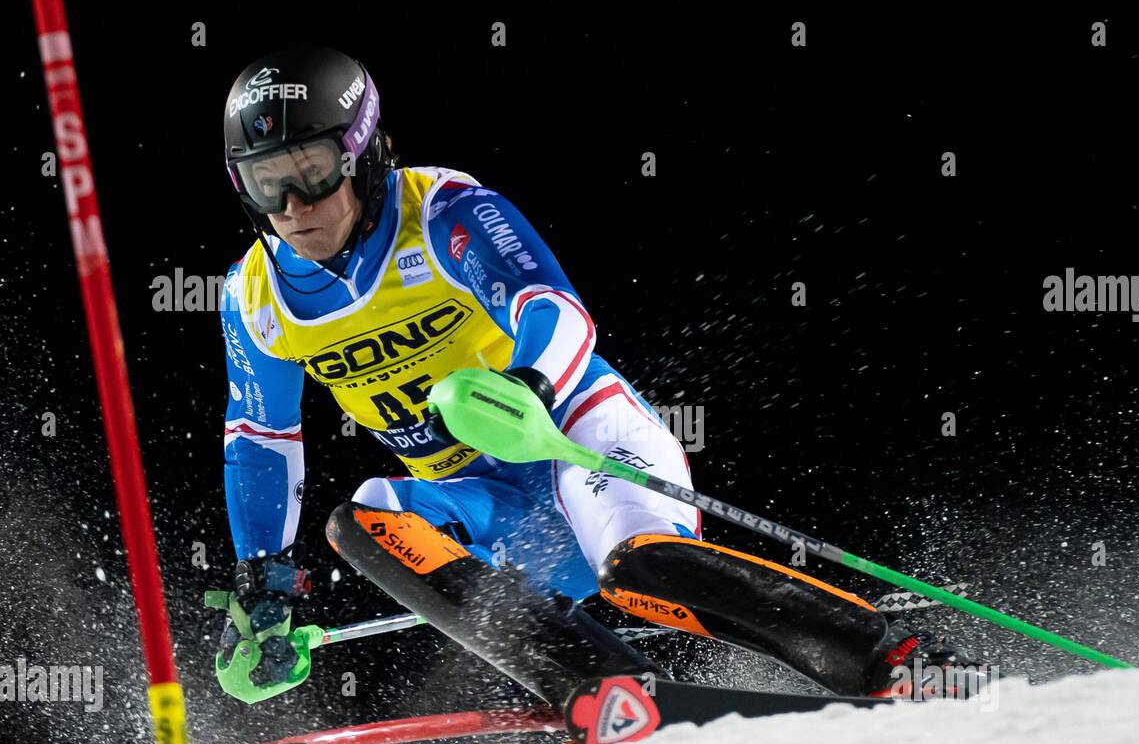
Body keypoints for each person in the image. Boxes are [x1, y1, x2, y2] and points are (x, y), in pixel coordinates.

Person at [217, 46, 962, 708]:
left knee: (641, 568)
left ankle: (893, 660)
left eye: (311, 172)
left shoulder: (442, 211)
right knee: (363, 518)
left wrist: (531, 388)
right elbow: (260, 437)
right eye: (266, 183)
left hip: (577, 436)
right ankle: (597, 686)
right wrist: (264, 583)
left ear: (361, 152)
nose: (293, 207)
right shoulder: (253, 297)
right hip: (500, 511)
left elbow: (555, 307)